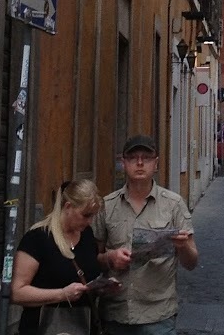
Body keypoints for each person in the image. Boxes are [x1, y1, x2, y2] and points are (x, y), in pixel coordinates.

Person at [94, 135, 198, 335]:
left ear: (156, 163)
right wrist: (109, 258)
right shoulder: (107, 205)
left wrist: (182, 246)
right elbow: (91, 258)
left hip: (158, 315)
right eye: (133, 158)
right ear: (123, 163)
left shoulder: (173, 205)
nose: (140, 163)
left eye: (146, 158)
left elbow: (191, 262)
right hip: (116, 313)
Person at [11, 179, 102, 335]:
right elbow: (17, 293)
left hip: (84, 326)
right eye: (86, 215)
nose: (89, 221)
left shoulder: (86, 235)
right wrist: (62, 294)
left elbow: (91, 267)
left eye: (92, 216)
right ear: (68, 207)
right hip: (44, 327)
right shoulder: (37, 238)